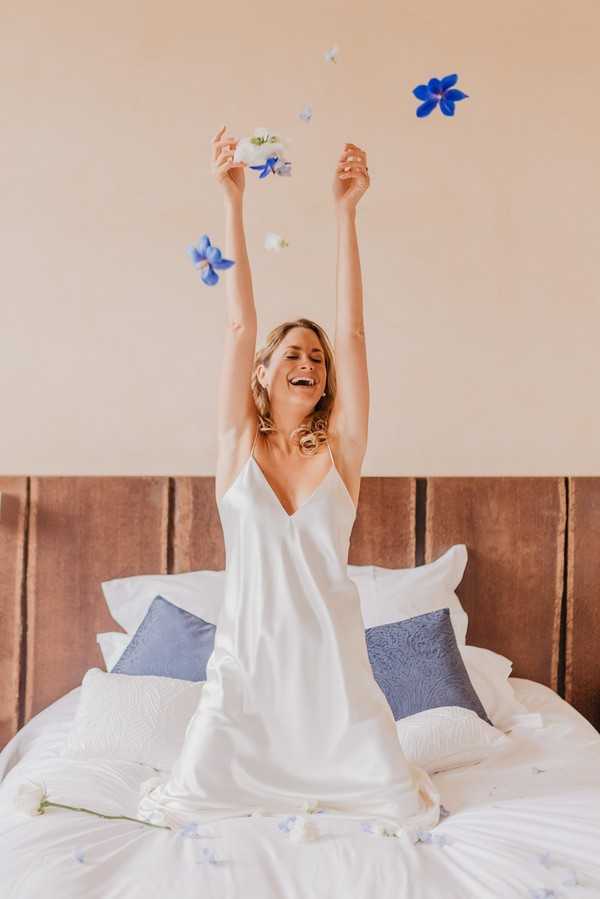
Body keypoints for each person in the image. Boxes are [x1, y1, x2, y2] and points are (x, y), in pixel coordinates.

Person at [137, 126, 441, 835]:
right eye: (292, 353)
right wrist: (232, 202)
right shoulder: (236, 443)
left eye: (316, 357)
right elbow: (239, 323)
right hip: (245, 676)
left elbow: (355, 333)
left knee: (395, 806)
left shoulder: (343, 450)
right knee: (191, 803)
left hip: (333, 680)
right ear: (263, 375)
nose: (310, 360)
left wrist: (347, 212)